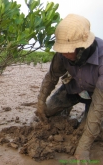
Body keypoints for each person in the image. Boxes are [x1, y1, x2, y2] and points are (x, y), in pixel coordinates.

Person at [35, 14, 103, 162]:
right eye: (62, 50)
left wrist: (83, 148)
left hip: (97, 96)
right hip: (74, 89)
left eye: (69, 50)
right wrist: (40, 102)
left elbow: (99, 105)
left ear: (82, 47)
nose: (64, 53)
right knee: (46, 111)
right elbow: (51, 77)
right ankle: (66, 110)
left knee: (88, 130)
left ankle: (85, 118)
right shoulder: (62, 55)